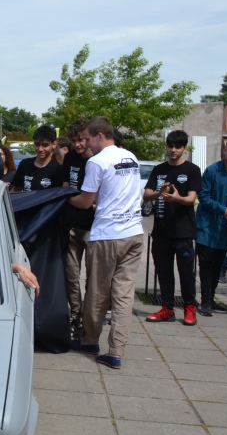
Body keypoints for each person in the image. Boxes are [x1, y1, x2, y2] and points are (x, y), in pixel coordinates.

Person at [67, 117, 144, 370]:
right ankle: (116, 351)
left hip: (108, 235)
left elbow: (85, 202)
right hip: (134, 233)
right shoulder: (130, 157)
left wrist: (64, 197)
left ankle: (90, 341)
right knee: (123, 295)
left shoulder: (97, 161)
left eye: (88, 138)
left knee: (98, 293)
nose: (86, 144)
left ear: (100, 135)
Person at [143, 130, 202, 325]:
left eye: (178, 146)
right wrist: (159, 193)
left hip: (183, 231)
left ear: (185, 148)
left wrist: (176, 198)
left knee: (186, 273)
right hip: (161, 231)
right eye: (170, 146)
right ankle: (167, 308)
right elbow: (147, 195)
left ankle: (189, 307)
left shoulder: (192, 170)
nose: (173, 150)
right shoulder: (159, 169)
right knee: (164, 271)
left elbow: (191, 199)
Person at [196, 139, 227, 316]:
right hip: (208, 227)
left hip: (226, 229)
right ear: (224, 151)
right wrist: (222, 209)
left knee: (218, 265)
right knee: (206, 264)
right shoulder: (212, 170)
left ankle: (211, 299)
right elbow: (203, 196)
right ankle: (205, 302)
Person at [60, 118, 94, 337]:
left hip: (94, 227)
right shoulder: (70, 157)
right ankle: (76, 317)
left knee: (94, 278)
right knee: (71, 276)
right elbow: (65, 187)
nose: (77, 145)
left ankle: (91, 320)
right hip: (71, 224)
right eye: (73, 141)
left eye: (81, 140)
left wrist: (77, 198)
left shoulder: (99, 159)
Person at [10, 126, 65, 191]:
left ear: (54, 144)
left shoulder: (59, 169)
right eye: (37, 144)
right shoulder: (24, 165)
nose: (40, 149)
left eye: (45, 145)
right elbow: (16, 190)